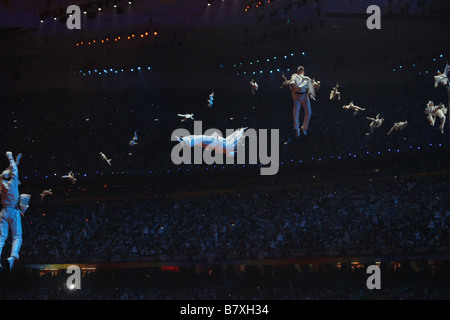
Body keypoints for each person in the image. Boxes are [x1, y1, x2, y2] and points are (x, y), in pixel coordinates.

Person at [0, 152, 30, 271]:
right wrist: (11, 158)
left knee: (1, 237)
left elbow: (5, 175)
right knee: (17, 237)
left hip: (3, 212)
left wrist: (14, 164)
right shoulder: (13, 184)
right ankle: (12, 257)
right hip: (13, 211)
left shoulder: (1, 184)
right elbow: (14, 172)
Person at [281, 66, 315, 137]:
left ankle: (304, 128)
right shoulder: (295, 76)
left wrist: (311, 91)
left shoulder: (307, 78)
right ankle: (297, 128)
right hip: (297, 97)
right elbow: (292, 82)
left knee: (308, 112)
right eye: (300, 70)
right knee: (296, 112)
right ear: (298, 71)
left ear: (303, 72)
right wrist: (290, 84)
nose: (301, 71)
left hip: (305, 97)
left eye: (302, 70)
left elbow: (311, 88)